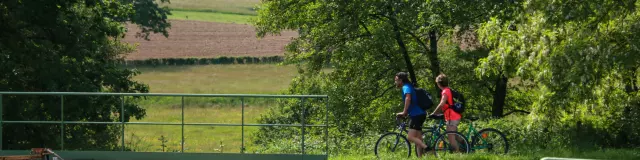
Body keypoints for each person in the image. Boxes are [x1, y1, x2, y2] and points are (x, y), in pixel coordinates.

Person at [394, 72, 429, 157]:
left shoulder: (406, 87)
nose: (395, 82)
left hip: (416, 115)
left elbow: (408, 98)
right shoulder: (409, 86)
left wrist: (404, 112)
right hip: (420, 114)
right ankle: (420, 157)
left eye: (396, 80)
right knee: (418, 138)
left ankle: (428, 148)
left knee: (410, 137)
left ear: (401, 80)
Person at [430, 73, 462, 152]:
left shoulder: (445, 91)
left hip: (452, 116)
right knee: (455, 136)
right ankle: (467, 146)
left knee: (451, 138)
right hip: (452, 116)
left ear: (439, 84)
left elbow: (442, 103)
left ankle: (458, 155)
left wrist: (434, 113)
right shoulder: (448, 90)